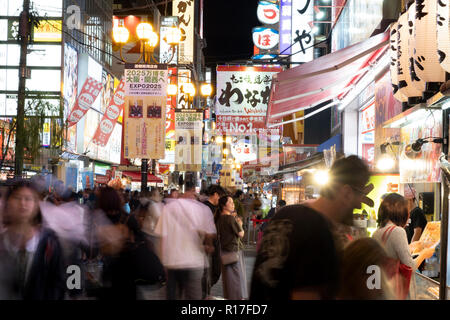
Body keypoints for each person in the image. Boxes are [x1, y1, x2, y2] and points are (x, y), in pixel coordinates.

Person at [250, 155, 375, 300]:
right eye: (359, 195)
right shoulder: (319, 231)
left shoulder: (286, 214)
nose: (359, 205)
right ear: (346, 192)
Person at [0, 180, 65, 300]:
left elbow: (57, 284)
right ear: (8, 203)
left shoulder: (49, 243)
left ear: (36, 205)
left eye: (28, 199)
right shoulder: (3, 241)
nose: (22, 203)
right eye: (17, 198)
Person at [154, 181, 216, 300]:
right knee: (193, 297)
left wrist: (162, 261)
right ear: (193, 191)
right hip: (194, 262)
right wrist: (208, 244)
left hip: (172, 262)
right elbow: (210, 234)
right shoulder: (203, 209)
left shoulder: (168, 208)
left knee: (173, 295)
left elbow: (161, 237)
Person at [372, 193, 435, 299]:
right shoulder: (398, 231)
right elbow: (410, 266)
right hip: (397, 292)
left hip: (384, 290)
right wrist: (424, 254)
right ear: (400, 211)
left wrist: (410, 247)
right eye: (407, 211)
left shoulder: (377, 232)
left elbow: (391, 254)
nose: (408, 214)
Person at [92, 186, 146, 300]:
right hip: (128, 270)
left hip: (108, 270)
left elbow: (91, 250)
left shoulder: (97, 219)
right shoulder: (127, 218)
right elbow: (141, 240)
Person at [216, 195, 247, 300]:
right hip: (234, 251)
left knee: (228, 278)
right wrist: (240, 224)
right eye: (230, 202)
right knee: (236, 278)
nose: (233, 204)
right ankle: (237, 298)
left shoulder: (219, 218)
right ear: (224, 206)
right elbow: (241, 234)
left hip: (224, 251)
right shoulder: (230, 218)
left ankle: (229, 296)